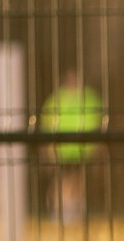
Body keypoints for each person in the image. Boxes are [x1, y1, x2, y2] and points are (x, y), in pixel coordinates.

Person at [41, 69, 104, 227]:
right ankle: (60, 212)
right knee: (62, 181)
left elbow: (98, 122)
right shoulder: (58, 99)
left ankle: (73, 212)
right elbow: (47, 123)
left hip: (82, 151)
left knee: (77, 182)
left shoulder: (88, 98)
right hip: (63, 150)